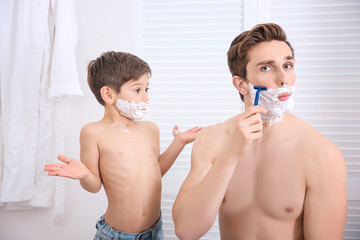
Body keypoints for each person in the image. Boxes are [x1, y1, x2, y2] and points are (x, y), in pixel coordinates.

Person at [172, 23, 347, 240]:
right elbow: (186, 231)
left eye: (288, 65)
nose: (283, 79)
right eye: (266, 68)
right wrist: (231, 154)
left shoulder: (321, 153)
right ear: (241, 85)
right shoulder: (212, 138)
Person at [44, 51, 202, 240]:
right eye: (137, 90)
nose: (146, 97)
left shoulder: (150, 129)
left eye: (147, 89)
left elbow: (155, 172)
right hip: (117, 236)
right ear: (108, 94)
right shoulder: (93, 132)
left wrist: (179, 142)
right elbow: (94, 186)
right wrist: (85, 174)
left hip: (155, 231)